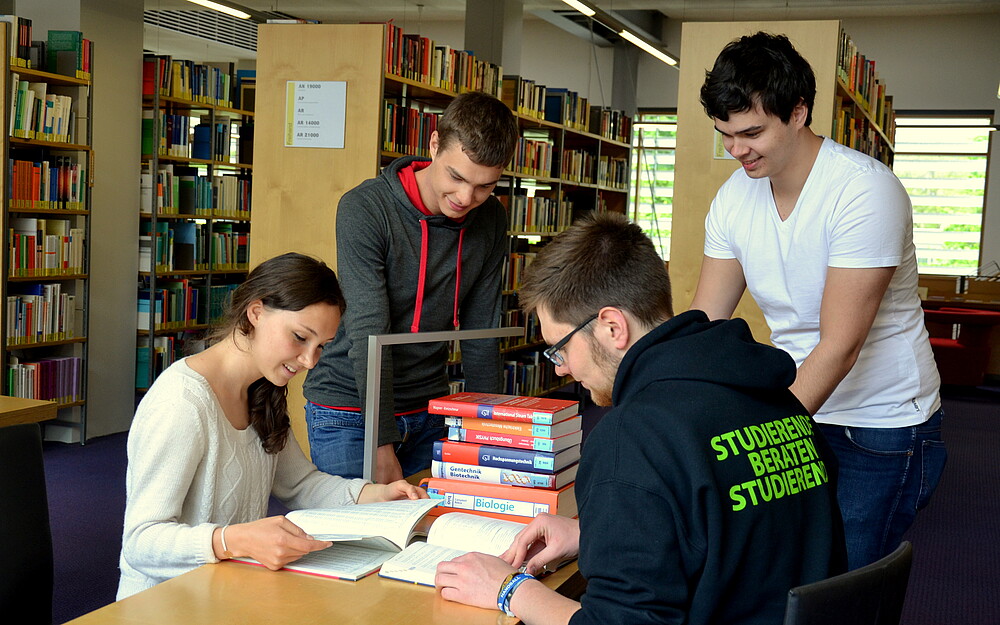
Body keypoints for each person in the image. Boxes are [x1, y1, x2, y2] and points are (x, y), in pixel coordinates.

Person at [435, 213, 846, 625]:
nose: (560, 369)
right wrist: (591, 535)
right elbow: (739, 525)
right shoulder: (771, 397)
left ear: (612, 327)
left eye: (560, 347)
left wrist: (509, 590)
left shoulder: (632, 437)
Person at [692, 31, 946, 570]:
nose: (737, 150)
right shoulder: (734, 197)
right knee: (786, 571)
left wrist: (768, 439)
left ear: (799, 112)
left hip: (879, 422)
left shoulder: (862, 190)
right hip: (799, 403)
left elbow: (840, 345)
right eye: (725, 135)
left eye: (752, 132)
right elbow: (704, 326)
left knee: (842, 583)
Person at [117, 252, 426, 600]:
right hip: (161, 604)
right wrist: (233, 540)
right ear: (256, 312)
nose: (310, 361)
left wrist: (373, 495)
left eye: (321, 346)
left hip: (226, 594)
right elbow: (140, 542)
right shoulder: (181, 404)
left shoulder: (262, 389)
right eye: (299, 337)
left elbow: (300, 485)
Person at [303, 91, 520, 483]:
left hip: (430, 409)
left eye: (485, 186)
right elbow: (369, 327)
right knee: (363, 540)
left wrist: (491, 430)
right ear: (434, 144)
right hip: (352, 411)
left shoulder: (490, 220)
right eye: (456, 177)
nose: (466, 198)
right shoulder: (365, 208)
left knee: (438, 537)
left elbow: (481, 332)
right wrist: (381, 441)